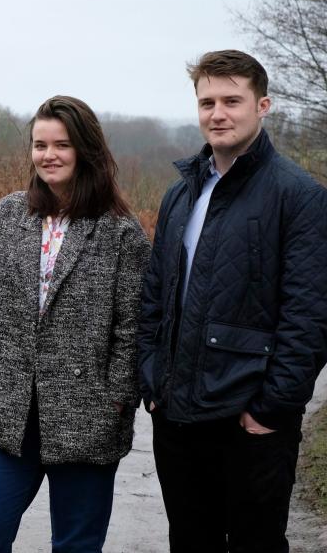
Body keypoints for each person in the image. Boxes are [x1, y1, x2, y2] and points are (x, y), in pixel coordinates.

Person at [137, 50, 327, 552]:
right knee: (190, 543)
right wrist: (153, 380)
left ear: (262, 105)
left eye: (231, 101)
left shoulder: (300, 196)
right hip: (176, 417)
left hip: (252, 422)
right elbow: (154, 296)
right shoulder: (181, 195)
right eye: (206, 102)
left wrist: (272, 407)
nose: (217, 113)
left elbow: (309, 316)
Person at [0, 95, 151, 553]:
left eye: (61, 144)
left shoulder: (120, 232)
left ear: (86, 149)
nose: (49, 155)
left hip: (87, 419)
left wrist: (116, 403)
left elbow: (132, 329)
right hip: (9, 416)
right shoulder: (6, 216)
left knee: (76, 545)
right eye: (39, 144)